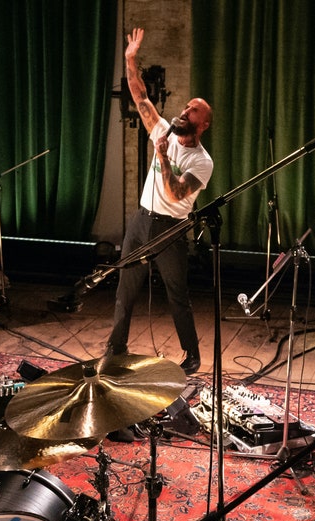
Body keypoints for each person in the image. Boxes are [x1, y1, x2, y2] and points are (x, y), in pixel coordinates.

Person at [105, 27, 213, 376]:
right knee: (126, 287)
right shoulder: (163, 129)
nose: (185, 110)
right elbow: (139, 95)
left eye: (193, 110)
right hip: (142, 220)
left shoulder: (202, 161)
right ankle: (116, 347)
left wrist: (164, 156)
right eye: (187, 105)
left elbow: (176, 193)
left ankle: (192, 354)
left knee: (176, 294)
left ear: (203, 125)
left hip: (170, 230)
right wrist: (130, 59)